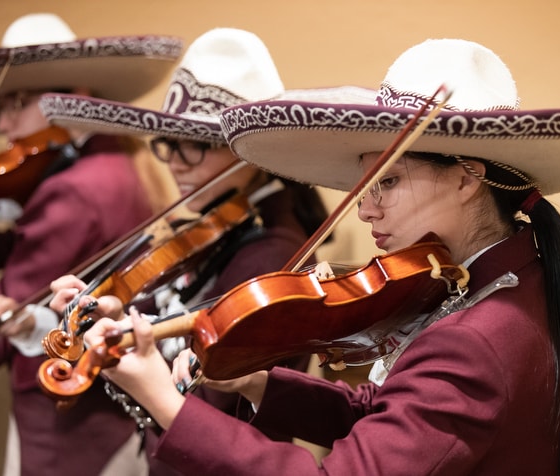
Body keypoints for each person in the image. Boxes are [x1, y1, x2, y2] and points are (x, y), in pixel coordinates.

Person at [63, 38, 560, 475]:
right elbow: (392, 410)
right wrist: (263, 384)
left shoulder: (478, 338)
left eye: (387, 183)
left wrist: (166, 403)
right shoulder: (511, 278)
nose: (366, 211)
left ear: (468, 179)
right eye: (366, 189)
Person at [43, 27, 374, 474]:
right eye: (169, 143)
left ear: (251, 153)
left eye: (197, 146)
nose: (176, 161)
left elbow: (205, 405)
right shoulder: (215, 228)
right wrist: (116, 326)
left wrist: (130, 353)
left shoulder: (270, 258)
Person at [0, 13, 183, 476]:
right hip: (114, 411)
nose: (4, 124)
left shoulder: (73, 190)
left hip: (65, 425)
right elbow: (45, 244)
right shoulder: (121, 154)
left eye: (17, 102)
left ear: (72, 98)